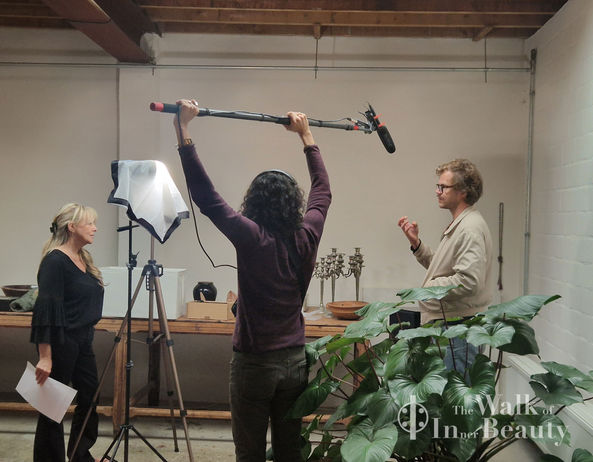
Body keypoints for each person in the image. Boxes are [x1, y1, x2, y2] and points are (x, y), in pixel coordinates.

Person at [173, 99, 331, 462]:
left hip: (254, 365)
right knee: (290, 452)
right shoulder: (307, 234)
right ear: (293, 202)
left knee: (250, 453)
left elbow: (206, 198)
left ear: (254, 202)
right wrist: (306, 135)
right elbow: (323, 191)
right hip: (294, 362)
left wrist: (183, 130)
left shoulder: (250, 236)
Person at [398, 159, 493, 372]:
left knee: (454, 390)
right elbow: (444, 269)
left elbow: (468, 281)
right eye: (438, 186)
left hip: (458, 331)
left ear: (463, 192)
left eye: (443, 187)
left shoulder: (469, 229)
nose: (437, 191)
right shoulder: (462, 224)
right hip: (453, 328)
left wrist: (426, 289)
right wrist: (417, 245)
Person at [30, 203, 104, 462]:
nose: (95, 228)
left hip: (83, 339)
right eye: (89, 223)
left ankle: (80, 456)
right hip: (60, 340)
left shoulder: (83, 258)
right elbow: (44, 310)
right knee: (52, 407)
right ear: (72, 227)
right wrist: (45, 356)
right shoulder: (55, 261)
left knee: (90, 396)